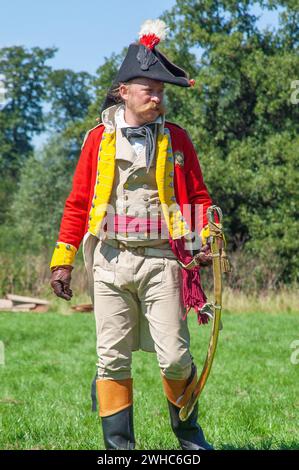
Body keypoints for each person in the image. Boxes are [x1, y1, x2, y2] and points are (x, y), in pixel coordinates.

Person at [50, 19, 215, 450]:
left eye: (162, 91)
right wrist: (62, 260)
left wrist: (198, 248)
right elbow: (77, 202)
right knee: (111, 358)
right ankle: (119, 450)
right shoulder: (95, 140)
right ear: (124, 91)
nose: (158, 97)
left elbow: (198, 197)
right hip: (108, 259)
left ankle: (190, 438)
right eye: (150, 89)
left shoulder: (178, 139)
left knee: (176, 357)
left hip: (164, 259)